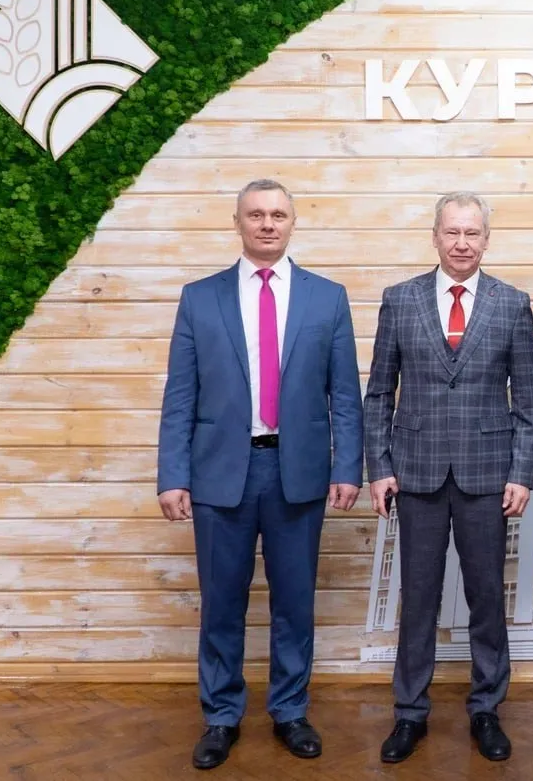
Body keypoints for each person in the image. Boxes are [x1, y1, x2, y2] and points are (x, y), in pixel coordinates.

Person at [156, 178, 364, 770]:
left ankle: (290, 710)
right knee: (222, 603)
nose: (267, 223)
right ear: (238, 223)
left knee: (294, 602)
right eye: (256, 215)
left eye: (277, 214)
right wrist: (173, 474)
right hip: (220, 473)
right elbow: (180, 395)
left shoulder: (328, 298)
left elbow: (344, 395)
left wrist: (347, 465)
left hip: (297, 471)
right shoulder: (200, 298)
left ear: (292, 222)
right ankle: (221, 716)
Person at [363, 191, 533, 764]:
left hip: (488, 475)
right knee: (417, 597)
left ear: (486, 239)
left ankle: (486, 708)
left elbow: (529, 402)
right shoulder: (400, 300)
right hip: (415, 473)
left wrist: (522, 473)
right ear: (436, 236)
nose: (462, 243)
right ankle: (409, 712)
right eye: (452, 232)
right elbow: (378, 393)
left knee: (487, 596)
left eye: (472, 233)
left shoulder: (512, 304)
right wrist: (379, 468)